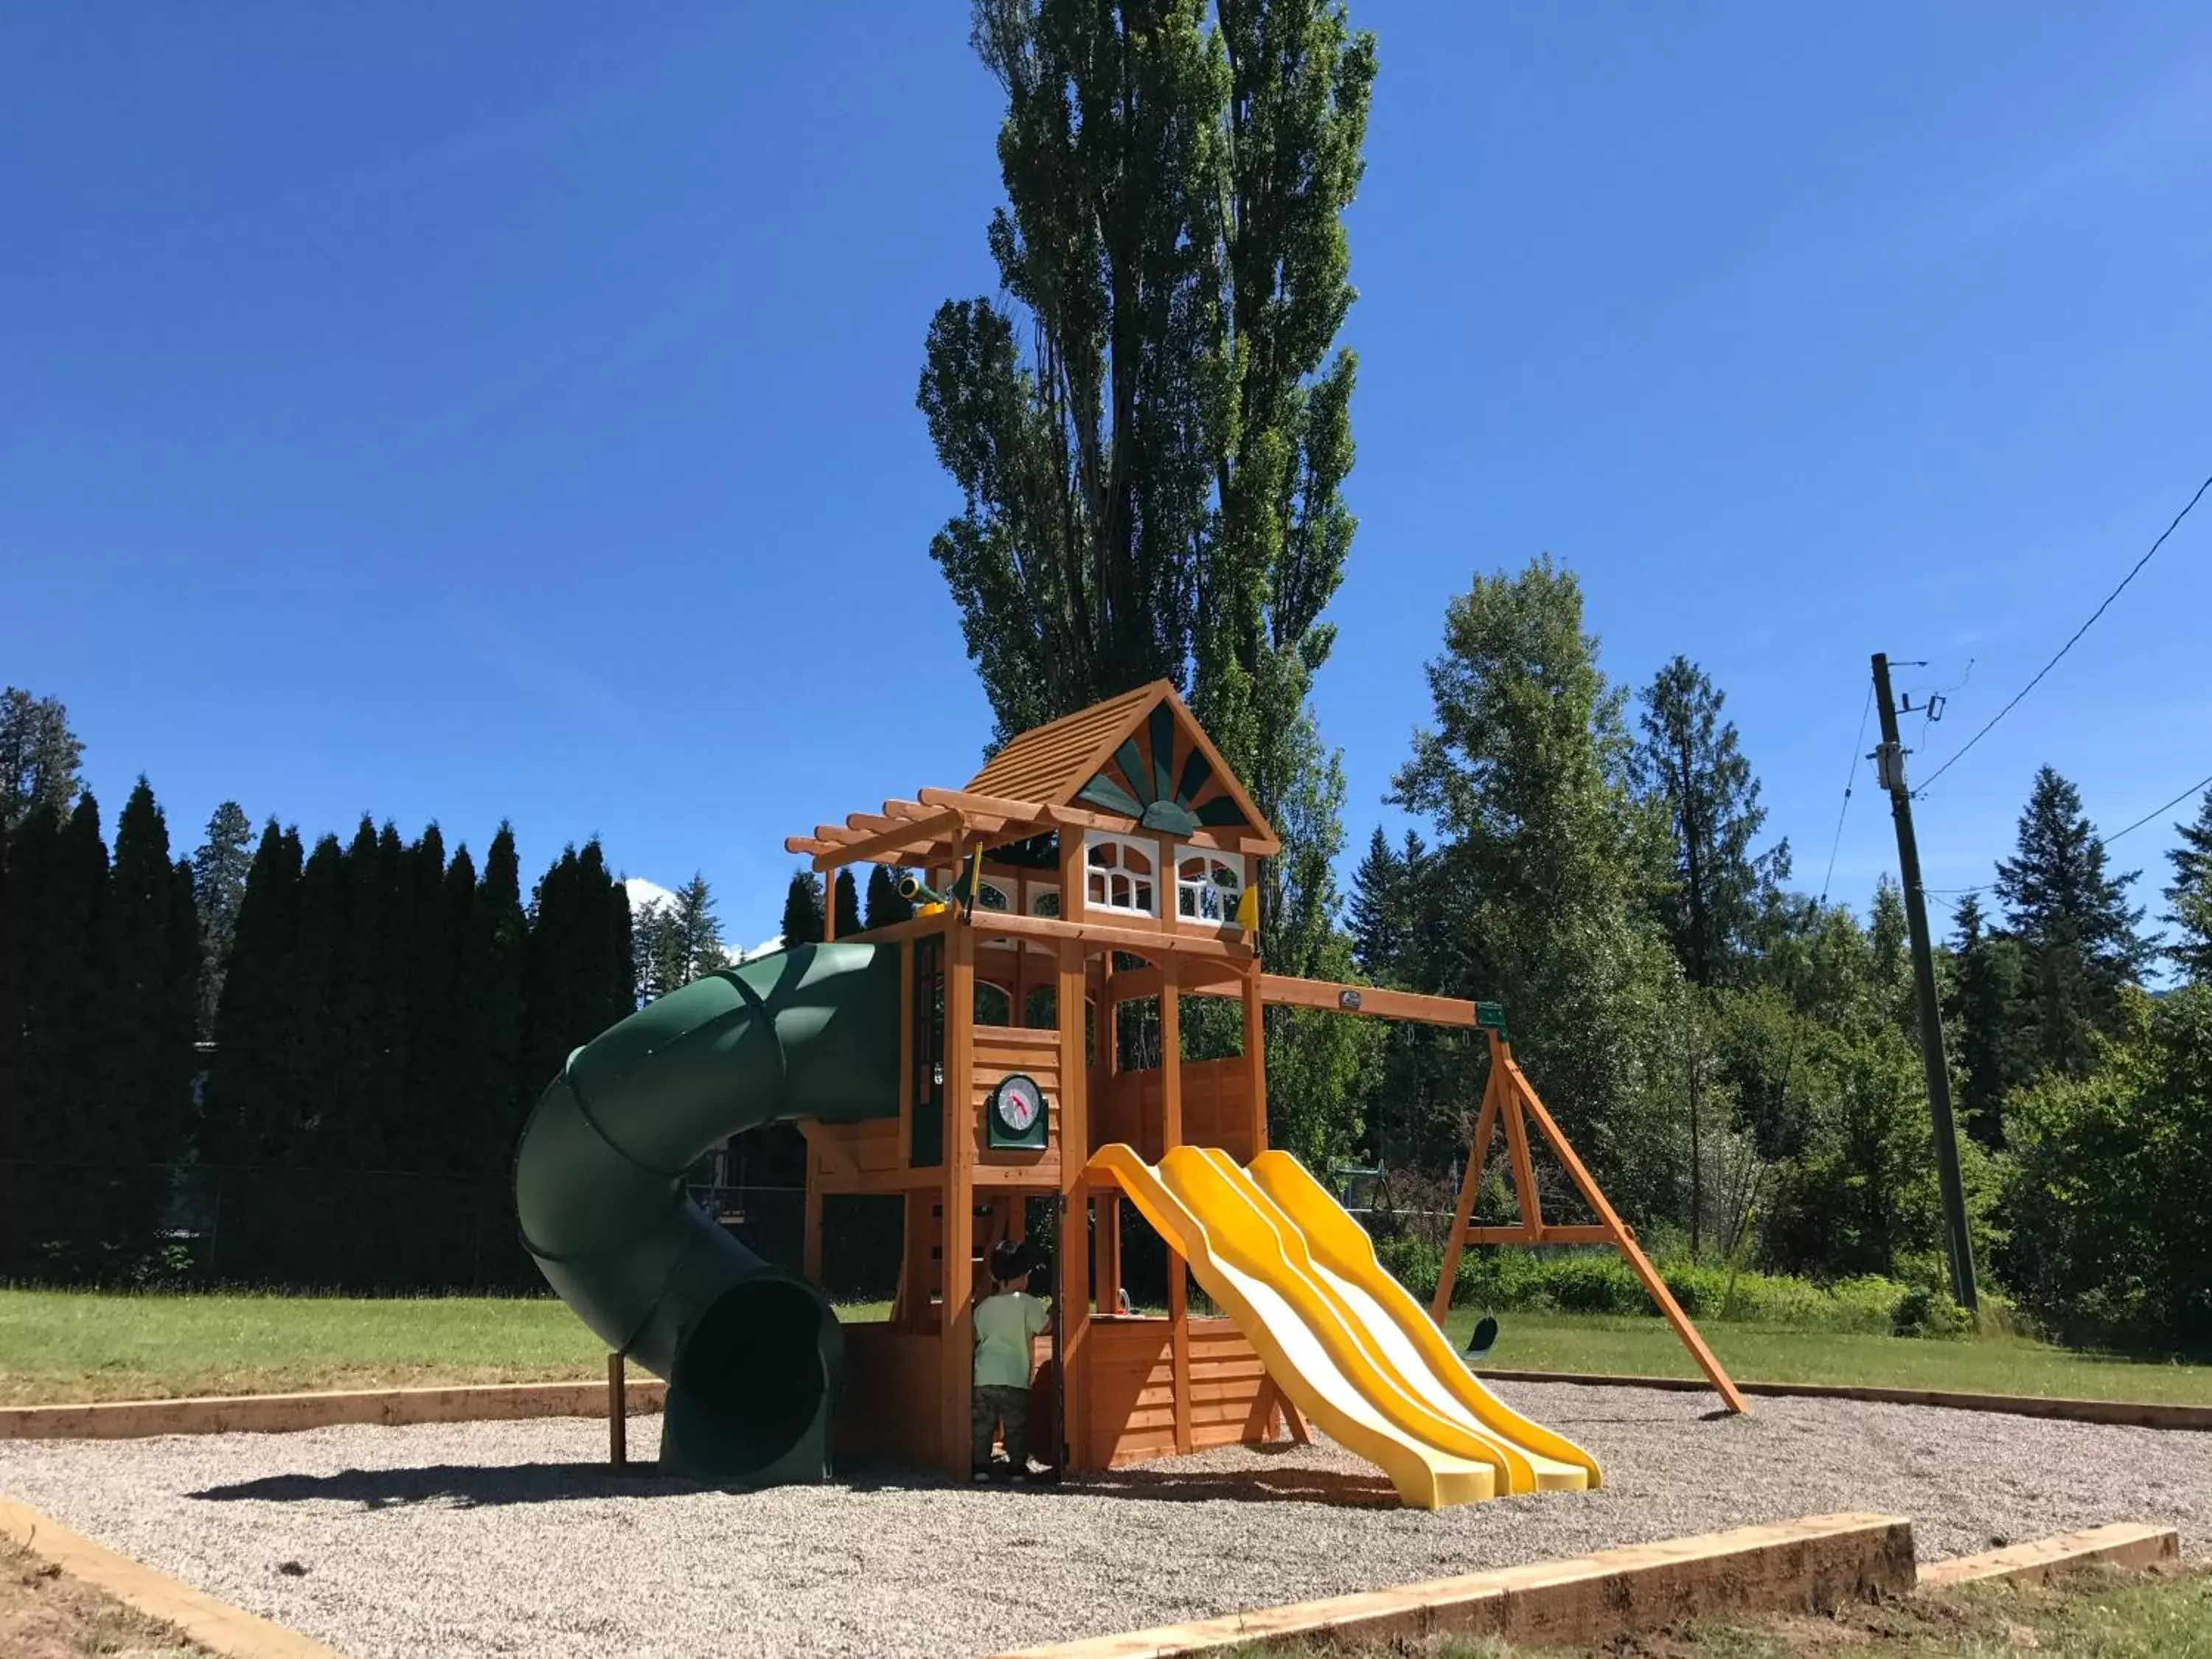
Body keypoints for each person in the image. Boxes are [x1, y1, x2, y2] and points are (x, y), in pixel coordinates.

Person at [973, 1238, 1050, 1481]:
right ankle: (1017, 1467)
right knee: (1016, 1425)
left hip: (984, 1376)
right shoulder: (1027, 1304)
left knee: (983, 1426)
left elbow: (977, 1336)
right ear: (1025, 1277)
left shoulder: (983, 1307)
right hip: (1015, 1376)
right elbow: (1046, 1327)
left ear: (994, 1277)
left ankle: (981, 1467)